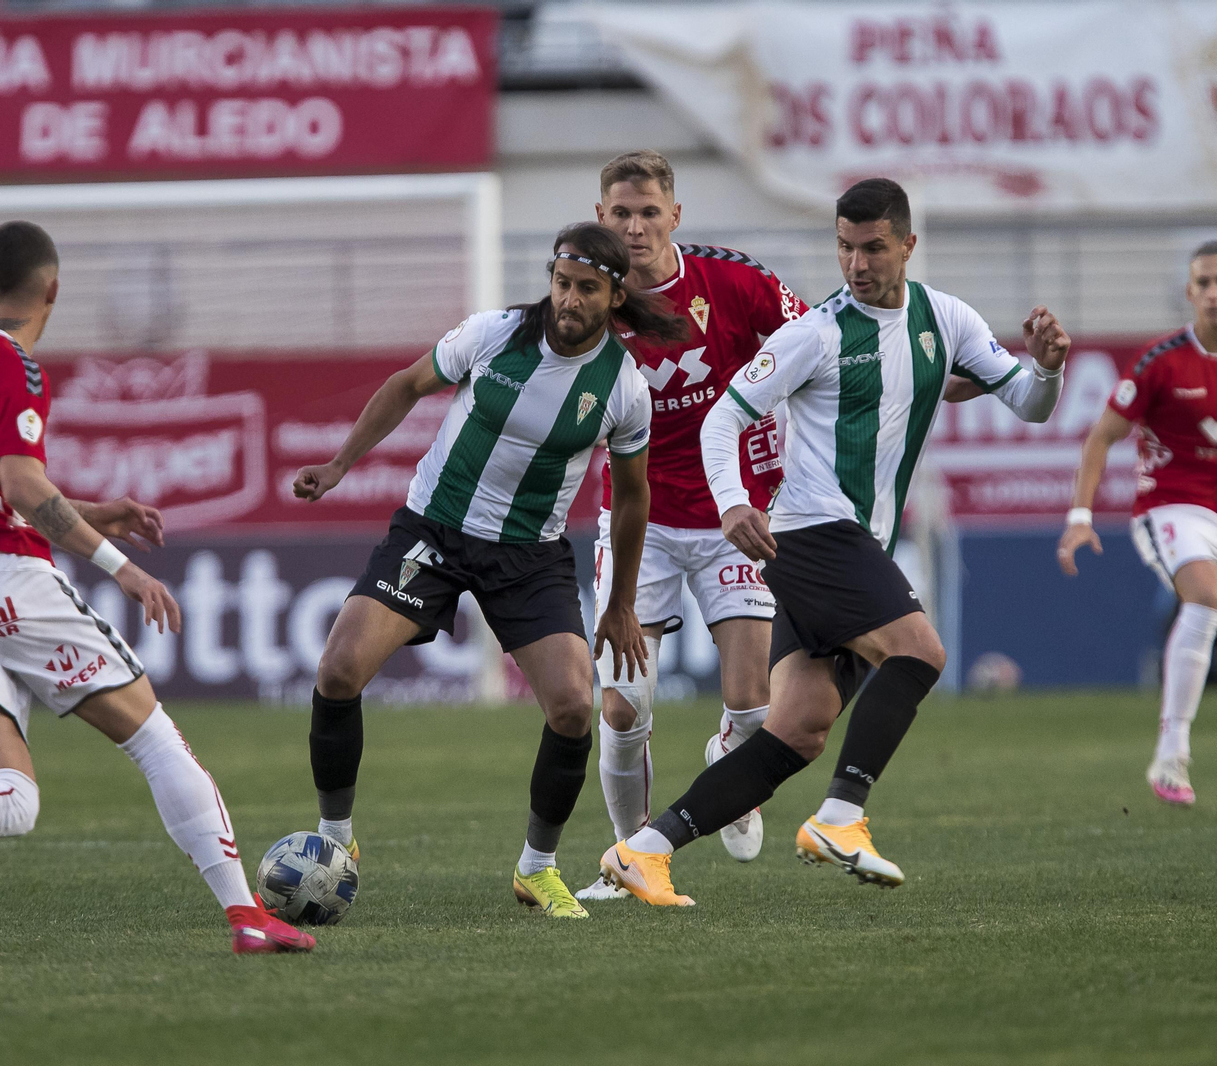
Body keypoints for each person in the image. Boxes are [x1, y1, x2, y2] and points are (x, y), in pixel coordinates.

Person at [0, 221, 314, 955]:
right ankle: (247, 916)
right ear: (53, 290)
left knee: (14, 803)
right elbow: (22, 485)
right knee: (157, 740)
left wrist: (93, 512)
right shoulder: (15, 364)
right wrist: (117, 565)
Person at [596, 178, 1072, 905]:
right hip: (812, 531)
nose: (857, 264)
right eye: (845, 248)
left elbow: (1030, 405)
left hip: (860, 541)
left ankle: (645, 851)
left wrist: (1046, 365)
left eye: (874, 248)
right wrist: (731, 503)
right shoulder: (813, 334)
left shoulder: (947, 320)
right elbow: (723, 419)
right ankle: (843, 816)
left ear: (908, 245)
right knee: (920, 651)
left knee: (796, 732)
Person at [292, 222, 685, 919]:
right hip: (434, 533)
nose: (568, 299)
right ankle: (335, 842)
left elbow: (631, 497)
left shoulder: (623, 387)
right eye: (562, 283)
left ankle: (537, 868)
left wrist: (621, 603)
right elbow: (406, 383)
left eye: (586, 289)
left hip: (529, 557)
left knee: (571, 707)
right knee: (338, 670)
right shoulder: (494, 333)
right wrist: (339, 464)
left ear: (614, 295)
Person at [575, 150, 808, 896]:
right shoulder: (585, 307)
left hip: (737, 517)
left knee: (752, 707)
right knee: (621, 705)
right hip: (639, 523)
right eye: (621, 213)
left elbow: (819, 348)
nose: (636, 228)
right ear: (601, 216)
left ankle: (728, 763)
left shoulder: (738, 283)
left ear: (675, 215)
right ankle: (627, 859)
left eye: (649, 213)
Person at [1057, 241, 1217, 807]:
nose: (1214, 294)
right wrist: (1080, 518)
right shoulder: (1162, 361)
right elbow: (1101, 436)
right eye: (1204, 283)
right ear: (1190, 292)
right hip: (1171, 508)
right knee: (1204, 597)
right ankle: (1172, 753)